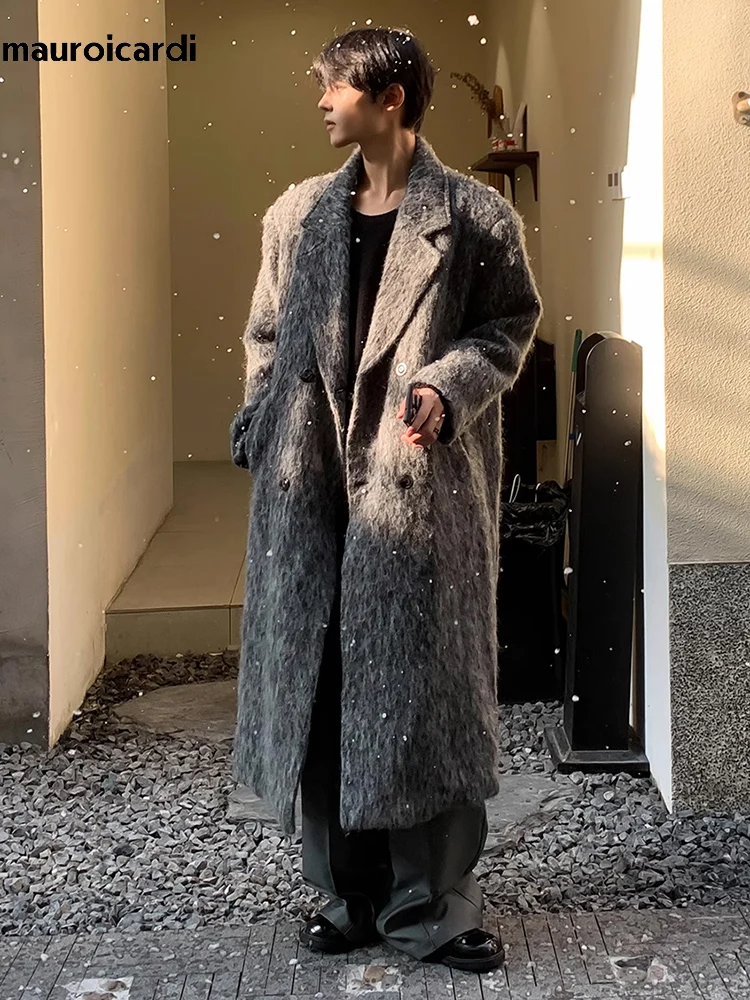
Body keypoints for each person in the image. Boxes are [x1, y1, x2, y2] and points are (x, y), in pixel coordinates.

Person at [229, 26, 543, 974]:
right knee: (323, 688)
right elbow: (267, 332)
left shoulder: (475, 217)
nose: (322, 101)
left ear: (391, 97)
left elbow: (509, 325)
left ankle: (432, 906)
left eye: (335, 86)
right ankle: (346, 895)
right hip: (309, 488)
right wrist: (259, 421)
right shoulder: (297, 214)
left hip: (418, 493)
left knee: (421, 698)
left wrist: (447, 383)